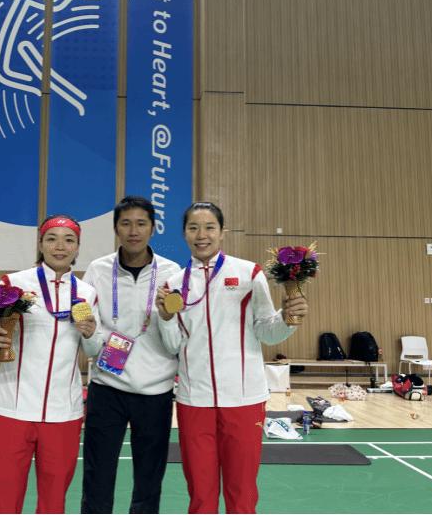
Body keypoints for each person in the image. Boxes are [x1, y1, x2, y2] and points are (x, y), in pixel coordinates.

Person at [155, 202, 308, 514]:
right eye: (193, 228)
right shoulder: (173, 285)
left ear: (222, 232)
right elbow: (172, 346)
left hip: (244, 400)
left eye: (209, 227)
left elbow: (267, 333)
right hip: (193, 401)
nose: (201, 235)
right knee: (200, 494)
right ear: (184, 233)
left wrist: (288, 319)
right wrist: (166, 318)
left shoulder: (248, 273)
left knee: (242, 495)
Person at [0, 214, 101, 514]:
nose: (60, 246)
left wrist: (91, 334)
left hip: (63, 412)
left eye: (69, 240)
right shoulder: (14, 283)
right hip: (12, 408)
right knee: (2, 502)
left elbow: (92, 348)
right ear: (40, 244)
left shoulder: (87, 293)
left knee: (53, 503)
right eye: (52, 239)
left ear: (78, 247)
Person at [80, 196, 182, 514]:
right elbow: (88, 340)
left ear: (153, 228)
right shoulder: (97, 271)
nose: (133, 231)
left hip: (156, 392)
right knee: (96, 477)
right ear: (115, 229)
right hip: (106, 389)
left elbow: (176, 344)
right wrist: (91, 338)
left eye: (141, 223)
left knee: (149, 481)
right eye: (126, 223)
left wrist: (166, 318)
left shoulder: (172, 273)